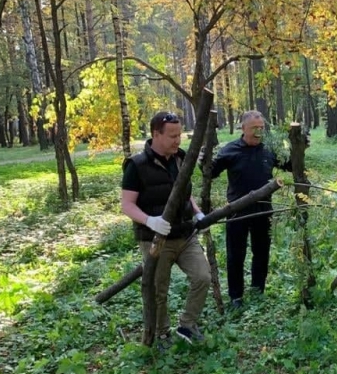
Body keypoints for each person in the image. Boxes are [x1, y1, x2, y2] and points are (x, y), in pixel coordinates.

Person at [121, 111, 211, 348]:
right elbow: (127, 205)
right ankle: (161, 333)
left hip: (185, 235)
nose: (177, 140)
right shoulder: (137, 166)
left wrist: (197, 212)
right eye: (172, 136)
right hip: (155, 239)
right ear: (156, 134)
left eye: (179, 134)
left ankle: (187, 324)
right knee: (158, 290)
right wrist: (150, 220)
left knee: (203, 276)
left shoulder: (182, 159)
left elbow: (186, 193)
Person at [210, 110, 291, 309]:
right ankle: (236, 297)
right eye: (254, 128)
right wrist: (204, 161)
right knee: (236, 255)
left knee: (261, 252)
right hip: (236, 211)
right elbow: (211, 173)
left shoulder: (269, 150)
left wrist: (300, 147)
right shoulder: (230, 150)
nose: (258, 132)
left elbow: (291, 165)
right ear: (243, 128)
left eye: (261, 128)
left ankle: (257, 290)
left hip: (263, 210)